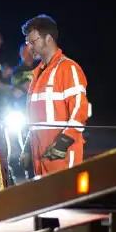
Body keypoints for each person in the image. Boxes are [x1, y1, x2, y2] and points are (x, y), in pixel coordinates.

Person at [21, 14, 91, 177]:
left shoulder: (68, 68)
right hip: (40, 158)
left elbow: (80, 111)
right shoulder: (37, 74)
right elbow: (35, 118)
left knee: (66, 201)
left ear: (48, 39)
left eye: (33, 42)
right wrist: (27, 147)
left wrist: (63, 143)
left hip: (62, 157)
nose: (30, 48)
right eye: (27, 43)